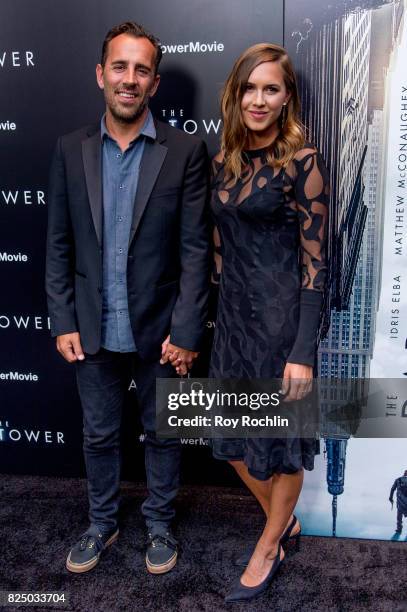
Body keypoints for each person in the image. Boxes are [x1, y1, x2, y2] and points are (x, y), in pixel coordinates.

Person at [45, 21, 209, 575]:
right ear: (101, 74)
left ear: (154, 83)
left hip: (160, 329)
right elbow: (58, 244)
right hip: (92, 325)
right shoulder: (71, 149)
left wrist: (186, 332)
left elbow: (194, 253)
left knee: (164, 432)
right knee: (97, 434)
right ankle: (102, 523)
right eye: (120, 66)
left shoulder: (184, 151)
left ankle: (159, 526)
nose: (129, 79)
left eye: (141, 70)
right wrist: (62, 318)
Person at [209, 43, 329, 602]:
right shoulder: (224, 161)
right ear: (236, 94)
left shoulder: (302, 161)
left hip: (283, 329)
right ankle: (283, 524)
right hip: (234, 324)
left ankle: (267, 543)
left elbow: (315, 263)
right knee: (232, 443)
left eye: (271, 89)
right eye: (250, 88)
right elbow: (219, 250)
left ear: (287, 98)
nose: (259, 99)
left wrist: (303, 350)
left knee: (280, 446)